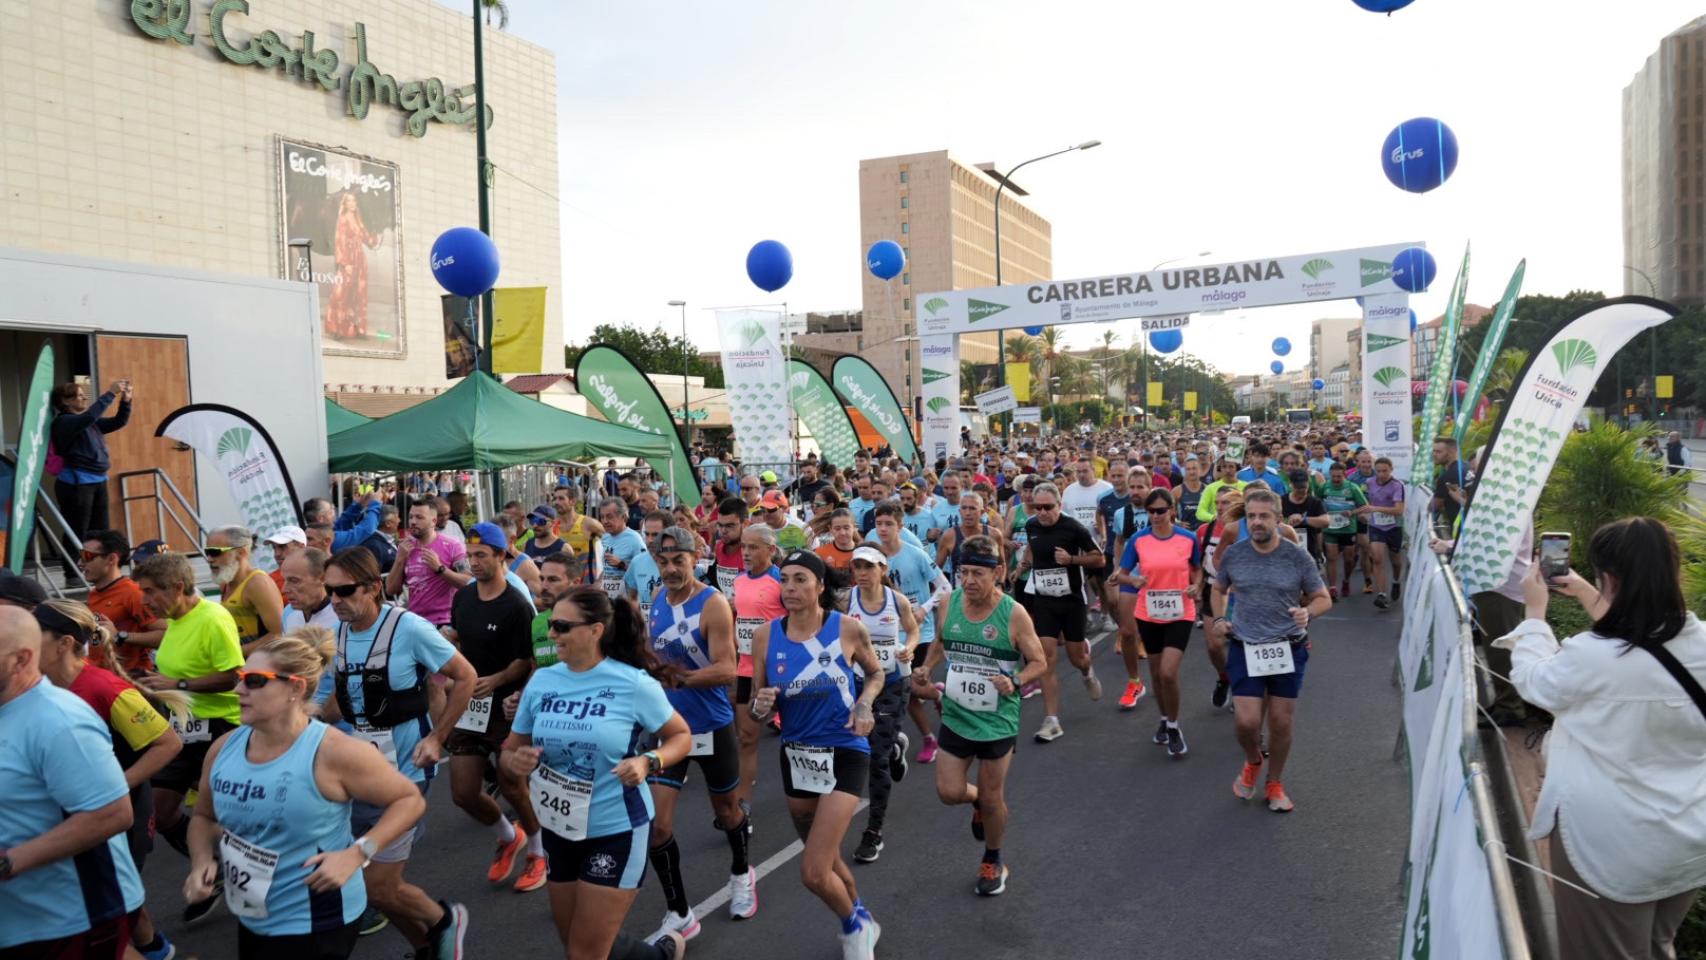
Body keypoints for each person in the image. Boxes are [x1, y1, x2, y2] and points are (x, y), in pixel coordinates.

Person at [1500, 517, 1706, 960]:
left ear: (1608, 576)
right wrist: (1590, 595)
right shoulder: (1701, 644)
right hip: (1689, 838)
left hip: (1610, 846)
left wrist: (1535, 614)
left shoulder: (1593, 657)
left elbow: (1537, 682)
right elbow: (1646, 643)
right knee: (1656, 945)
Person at [182, 630, 429, 959]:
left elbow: (409, 800)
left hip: (316, 918)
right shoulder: (224, 749)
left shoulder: (333, 752)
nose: (238, 688)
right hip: (253, 913)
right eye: (240, 678)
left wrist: (357, 854)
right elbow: (203, 817)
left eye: (254, 680)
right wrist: (201, 862)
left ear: (295, 688)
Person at [502, 587, 694, 960]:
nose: (551, 634)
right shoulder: (542, 681)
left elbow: (681, 736)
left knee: (585, 953)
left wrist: (648, 762)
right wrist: (516, 763)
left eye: (561, 626)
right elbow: (511, 750)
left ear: (595, 630)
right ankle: (661, 955)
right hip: (560, 828)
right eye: (550, 625)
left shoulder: (633, 684)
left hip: (616, 828)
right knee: (577, 941)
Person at [320, 548, 475, 958]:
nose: (334, 599)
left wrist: (438, 738)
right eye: (329, 591)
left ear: (373, 588)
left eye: (344, 590)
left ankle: (446, 919)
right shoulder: (338, 632)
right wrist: (303, 720)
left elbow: (465, 676)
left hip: (406, 770)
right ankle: (426, 947)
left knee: (376, 884)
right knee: (369, 882)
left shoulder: (408, 628)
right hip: (361, 769)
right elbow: (347, 698)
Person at [750, 550, 885, 960]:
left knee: (812, 871)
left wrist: (865, 704)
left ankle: (855, 926)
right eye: (785, 580)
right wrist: (763, 705)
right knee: (821, 856)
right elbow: (757, 708)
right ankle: (859, 912)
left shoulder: (846, 628)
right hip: (798, 754)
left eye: (800, 580)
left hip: (844, 747)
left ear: (820, 586)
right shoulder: (764, 636)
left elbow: (877, 673)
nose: (790, 588)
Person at [37, 599, 187, 960]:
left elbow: (168, 743)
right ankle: (158, 950)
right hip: (77, 813)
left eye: (34, 634)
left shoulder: (105, 687)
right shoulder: (39, 689)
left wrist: (116, 784)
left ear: (65, 643)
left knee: (109, 907)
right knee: (120, 902)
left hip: (122, 811)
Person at [0, 605, 147, 959]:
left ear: (21, 660)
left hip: (72, 916)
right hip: (19, 918)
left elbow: (112, 814)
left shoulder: (59, 719)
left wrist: (8, 863)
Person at [909, 535, 1047, 896]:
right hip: (956, 713)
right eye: (963, 572)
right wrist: (926, 668)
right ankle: (977, 804)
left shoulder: (1013, 613)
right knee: (949, 791)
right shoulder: (951, 602)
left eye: (978, 573)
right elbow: (941, 641)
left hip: (997, 720)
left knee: (993, 795)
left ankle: (993, 858)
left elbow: (1039, 662)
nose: (968, 581)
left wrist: (1015, 680)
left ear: (998, 572)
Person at [643, 526, 752, 943]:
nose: (671, 568)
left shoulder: (713, 604)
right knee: (658, 826)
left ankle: (742, 872)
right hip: (668, 727)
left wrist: (677, 680)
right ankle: (679, 911)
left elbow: (727, 668)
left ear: (695, 557)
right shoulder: (656, 599)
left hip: (710, 725)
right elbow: (655, 657)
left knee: (726, 812)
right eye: (664, 560)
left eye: (678, 560)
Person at [131, 550, 245, 920]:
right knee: (162, 813)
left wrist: (177, 683)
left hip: (220, 729)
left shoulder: (212, 617)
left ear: (178, 587)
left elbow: (234, 676)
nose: (145, 601)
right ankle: (213, 870)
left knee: (232, 816)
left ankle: (265, 878)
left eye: (150, 592)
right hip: (182, 731)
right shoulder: (173, 622)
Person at [1208, 489, 1332, 813]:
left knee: (1280, 722)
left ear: (1277, 519)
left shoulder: (1296, 556)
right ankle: (1253, 760)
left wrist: (1309, 613)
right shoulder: (1235, 554)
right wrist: (1220, 617)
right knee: (1247, 724)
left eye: (1264, 516)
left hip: (1287, 646)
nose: (1257, 522)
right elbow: (1218, 588)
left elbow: (1322, 597)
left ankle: (1274, 781)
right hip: (1246, 644)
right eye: (1251, 516)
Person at [845, 546, 921, 865]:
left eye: (868, 567)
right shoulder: (847, 600)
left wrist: (910, 649)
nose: (862, 573)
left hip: (892, 682)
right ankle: (894, 745)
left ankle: (873, 831)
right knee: (856, 748)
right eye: (857, 567)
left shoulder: (896, 601)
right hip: (858, 684)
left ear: (882, 569)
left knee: (875, 758)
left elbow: (913, 629)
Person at [1015, 482, 1104, 742]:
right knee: (1046, 658)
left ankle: (1087, 671)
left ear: (1059, 505)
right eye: (1037, 507)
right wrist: (1023, 565)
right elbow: (1032, 547)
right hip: (1044, 600)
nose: (1042, 512)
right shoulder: (1031, 525)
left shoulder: (1073, 527)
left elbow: (1099, 559)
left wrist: (1072, 560)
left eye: (1048, 507)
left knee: (1077, 658)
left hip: (1072, 600)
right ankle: (1051, 720)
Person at [1117, 489, 1202, 758]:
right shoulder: (1138, 540)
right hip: (1148, 612)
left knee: (1167, 673)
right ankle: (1165, 719)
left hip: (1180, 612)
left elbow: (1198, 569)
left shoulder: (1188, 538)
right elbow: (1122, 574)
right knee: (1155, 674)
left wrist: (1195, 586)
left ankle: (1175, 726)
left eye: (1160, 511)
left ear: (1172, 510)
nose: (1155, 516)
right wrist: (1134, 581)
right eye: (1151, 511)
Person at [869, 502, 953, 761]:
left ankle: (937, 694)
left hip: (920, 631)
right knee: (905, 690)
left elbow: (944, 587)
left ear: (900, 526)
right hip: (889, 633)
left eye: (888, 524)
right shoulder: (873, 555)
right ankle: (929, 738)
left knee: (914, 688)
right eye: (879, 523)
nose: (882, 529)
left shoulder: (915, 554)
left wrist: (924, 610)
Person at [730, 525, 785, 812]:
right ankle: (743, 804)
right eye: (744, 547)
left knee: (802, 736)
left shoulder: (781, 581)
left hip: (781, 670)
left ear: (770, 550)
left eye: (753, 547)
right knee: (748, 737)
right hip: (746, 669)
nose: (747, 553)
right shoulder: (739, 581)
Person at [50, 378, 132, 569]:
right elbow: (87, 418)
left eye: (83, 394)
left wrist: (126, 400)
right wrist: (110, 393)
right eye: (78, 395)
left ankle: (98, 570)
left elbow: (119, 421)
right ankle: (72, 574)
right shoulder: (64, 422)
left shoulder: (88, 422)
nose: (84, 398)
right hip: (77, 483)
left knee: (100, 532)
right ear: (65, 401)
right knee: (77, 530)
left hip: (98, 480)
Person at [79, 529, 167, 675]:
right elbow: (97, 637)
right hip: (101, 677)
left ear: (112, 559)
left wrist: (120, 636)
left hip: (130, 681)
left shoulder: (133, 593)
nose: (80, 563)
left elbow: (166, 635)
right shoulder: (94, 593)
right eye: (80, 555)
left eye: (86, 556)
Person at [208, 525, 288, 655]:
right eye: (207, 552)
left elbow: (279, 635)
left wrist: (235, 653)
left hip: (256, 669)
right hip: (235, 666)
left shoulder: (258, 584)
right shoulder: (225, 582)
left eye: (215, 552)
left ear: (241, 552)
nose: (210, 559)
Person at [1357, 457, 1405, 609]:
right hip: (1377, 525)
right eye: (1378, 471)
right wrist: (1360, 513)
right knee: (1377, 558)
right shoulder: (1369, 483)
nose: (1381, 474)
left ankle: (1396, 581)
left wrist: (1375, 508)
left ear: (1391, 469)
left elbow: (1399, 510)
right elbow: (1364, 502)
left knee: (1396, 561)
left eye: (1385, 471)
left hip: (1394, 526)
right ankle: (1382, 594)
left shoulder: (1397, 486)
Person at [1317, 462, 1367, 601]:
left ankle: (1346, 580)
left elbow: (1364, 506)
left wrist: (1352, 512)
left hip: (1348, 529)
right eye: (1333, 476)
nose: (1336, 479)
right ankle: (1332, 588)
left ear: (1344, 475)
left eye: (1339, 476)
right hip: (1330, 528)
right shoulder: (1325, 486)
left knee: (1348, 559)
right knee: (1332, 558)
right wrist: (1322, 512)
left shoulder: (1352, 488)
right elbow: (1317, 501)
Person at [599, 497, 650, 606]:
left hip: (627, 603)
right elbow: (606, 570)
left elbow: (644, 572)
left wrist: (622, 564)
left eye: (609, 516)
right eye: (602, 517)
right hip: (608, 601)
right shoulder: (605, 537)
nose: (605, 521)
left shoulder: (634, 539)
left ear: (623, 516)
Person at [552, 485, 606, 586]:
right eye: (555, 499)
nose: (556, 502)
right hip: (563, 586)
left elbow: (612, 544)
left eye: (561, 498)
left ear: (572, 501)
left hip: (587, 585)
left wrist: (601, 579)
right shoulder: (553, 527)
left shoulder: (588, 523)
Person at [265, 525, 308, 591]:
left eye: (282, 547)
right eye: (274, 548)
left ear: (301, 547)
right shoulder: (270, 581)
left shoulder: (321, 572)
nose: (277, 554)